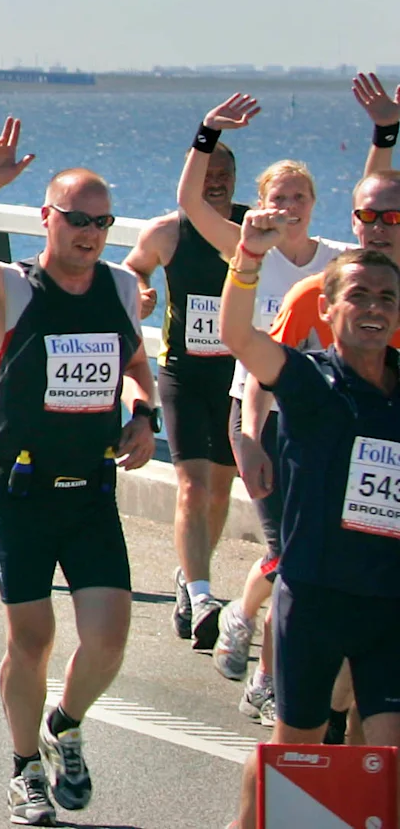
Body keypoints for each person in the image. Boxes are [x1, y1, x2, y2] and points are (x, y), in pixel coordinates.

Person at [0, 119, 158, 828]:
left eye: (102, 220)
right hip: (20, 490)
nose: (90, 232)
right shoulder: (8, 290)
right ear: (49, 218)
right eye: (76, 218)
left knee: (109, 636)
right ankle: (25, 769)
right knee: (32, 638)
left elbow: (136, 363)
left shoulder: (119, 286)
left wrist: (143, 413)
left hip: (91, 486)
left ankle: (66, 722)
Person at [219, 186, 400, 829]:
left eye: (386, 298)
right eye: (358, 296)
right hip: (315, 600)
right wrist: (248, 255)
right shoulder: (307, 379)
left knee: (388, 758)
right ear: (326, 306)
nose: (373, 309)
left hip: (387, 606)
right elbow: (235, 334)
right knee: (294, 751)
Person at [186, 95, 349, 701]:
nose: (287, 208)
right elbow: (188, 205)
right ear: (261, 204)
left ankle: (242, 617)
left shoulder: (336, 261)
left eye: (298, 198)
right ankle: (269, 679)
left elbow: (380, 210)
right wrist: (206, 135)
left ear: (313, 204)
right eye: (276, 198)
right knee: (289, 549)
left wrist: (386, 133)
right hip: (256, 414)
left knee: (300, 550)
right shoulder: (246, 247)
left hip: (321, 418)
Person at [121, 134, 245, 649]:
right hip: (183, 374)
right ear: (191, 179)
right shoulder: (168, 232)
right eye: (206, 175)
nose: (214, 184)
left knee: (219, 490)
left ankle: (190, 575)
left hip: (236, 377)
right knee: (192, 485)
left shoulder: (249, 231)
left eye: (223, 176)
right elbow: (132, 268)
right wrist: (143, 291)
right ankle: (200, 594)